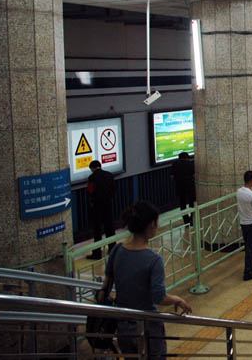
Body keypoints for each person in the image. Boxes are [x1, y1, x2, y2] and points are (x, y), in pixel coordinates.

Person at [98, 201, 192, 359]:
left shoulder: (117, 251)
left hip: (124, 326)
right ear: (150, 225)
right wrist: (177, 299)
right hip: (149, 326)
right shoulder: (153, 260)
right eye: (156, 222)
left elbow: (105, 288)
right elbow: (159, 297)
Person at [86, 160, 116, 260]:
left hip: (97, 207)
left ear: (93, 168)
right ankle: (112, 249)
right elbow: (113, 190)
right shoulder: (109, 175)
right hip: (108, 205)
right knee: (110, 229)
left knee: (97, 231)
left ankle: (97, 253)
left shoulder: (92, 178)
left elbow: (90, 191)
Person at [170, 152, 195, 226]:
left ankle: (186, 221)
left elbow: (172, 176)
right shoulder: (190, 164)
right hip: (190, 186)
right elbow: (194, 175)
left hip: (179, 187)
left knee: (182, 204)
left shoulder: (175, 164)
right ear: (187, 157)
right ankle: (192, 219)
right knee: (191, 203)